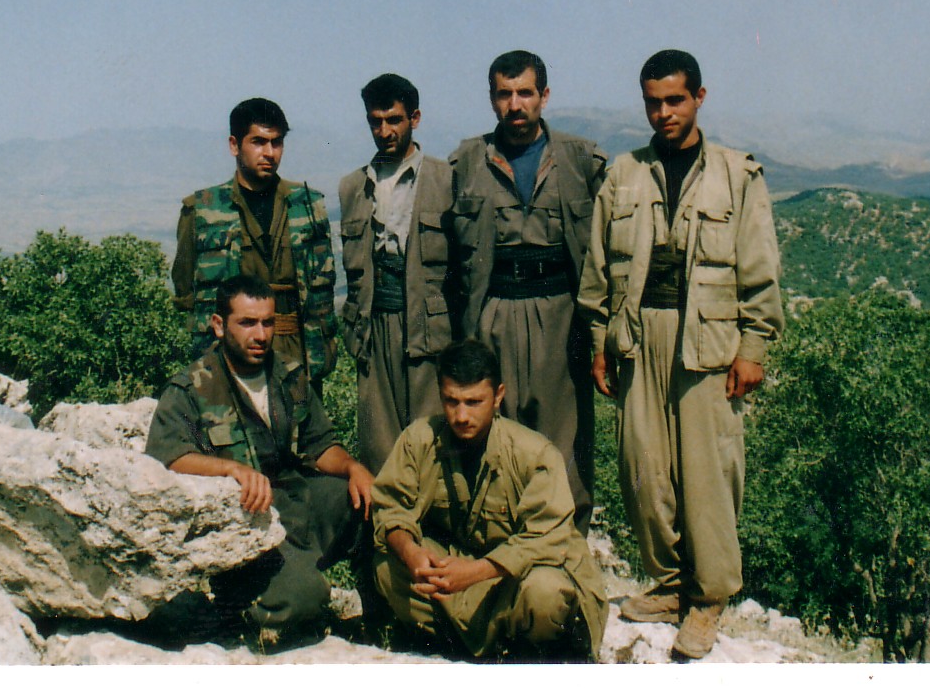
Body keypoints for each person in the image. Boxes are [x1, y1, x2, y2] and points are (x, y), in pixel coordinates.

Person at [577, 49, 784, 659]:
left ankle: (708, 596)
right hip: (638, 337)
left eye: (675, 100)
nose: (663, 113)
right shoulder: (624, 174)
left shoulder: (736, 174)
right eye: (653, 102)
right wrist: (599, 341)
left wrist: (753, 346)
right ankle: (668, 583)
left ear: (699, 97)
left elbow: (760, 268)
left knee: (708, 470)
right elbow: (598, 266)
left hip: (708, 342)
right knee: (642, 467)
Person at [145, 274, 375, 649]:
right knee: (303, 597)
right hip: (247, 526)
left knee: (373, 504)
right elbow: (167, 457)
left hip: (296, 502)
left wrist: (353, 467)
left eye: (268, 323)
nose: (261, 335)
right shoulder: (192, 388)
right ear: (219, 325)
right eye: (247, 323)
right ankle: (244, 609)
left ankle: (379, 616)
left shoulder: (288, 374)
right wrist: (230, 469)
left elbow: (320, 445)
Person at [447, 50, 605, 533]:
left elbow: (610, 248)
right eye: (504, 94)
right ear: (491, 98)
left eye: (525, 93)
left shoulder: (580, 159)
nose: (515, 104)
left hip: (562, 315)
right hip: (491, 312)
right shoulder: (466, 162)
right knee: (494, 436)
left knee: (564, 439)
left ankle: (566, 546)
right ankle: (499, 546)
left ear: (544, 96)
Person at [371, 342, 607, 660]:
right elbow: (390, 508)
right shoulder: (419, 440)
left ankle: (534, 646)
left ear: (498, 396)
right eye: (451, 401)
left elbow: (546, 540)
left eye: (474, 402)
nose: (461, 416)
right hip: (457, 573)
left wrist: (473, 572)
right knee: (388, 566)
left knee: (545, 593)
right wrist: (411, 552)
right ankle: (464, 643)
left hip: (513, 578)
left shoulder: (534, 454)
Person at [171, 97, 339, 387]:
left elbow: (323, 287)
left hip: (297, 353)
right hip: (228, 356)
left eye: (277, 142)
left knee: (298, 415)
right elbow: (186, 291)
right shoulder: (203, 211)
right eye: (258, 142)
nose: (269, 153)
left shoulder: (308, 206)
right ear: (234, 145)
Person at [338, 73, 457, 473]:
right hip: (373, 331)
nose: (385, 131)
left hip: (429, 330)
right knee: (379, 449)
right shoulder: (353, 187)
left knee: (433, 445)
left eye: (394, 120)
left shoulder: (445, 179)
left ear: (415, 119)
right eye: (376, 121)